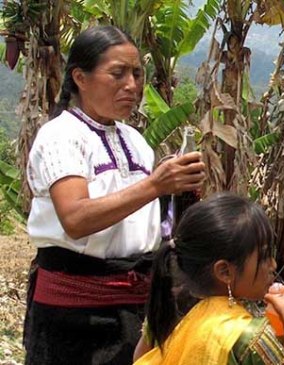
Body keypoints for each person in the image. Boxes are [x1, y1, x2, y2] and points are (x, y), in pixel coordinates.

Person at [23, 25, 205, 364]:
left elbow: (140, 217)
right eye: (117, 74)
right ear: (80, 77)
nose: (132, 86)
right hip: (76, 319)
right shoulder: (61, 136)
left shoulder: (134, 140)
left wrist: (173, 191)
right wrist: (154, 185)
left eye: (137, 74)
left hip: (136, 311)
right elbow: (75, 219)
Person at [134, 193, 284, 365]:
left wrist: (277, 323)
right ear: (224, 271)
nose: (273, 265)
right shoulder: (247, 337)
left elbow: (140, 359)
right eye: (264, 256)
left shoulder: (167, 313)